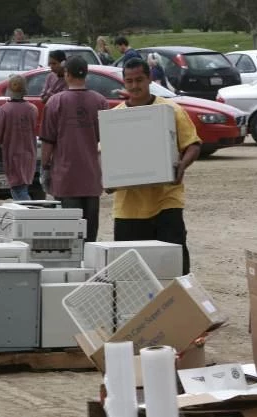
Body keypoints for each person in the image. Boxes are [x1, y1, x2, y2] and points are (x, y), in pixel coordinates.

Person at [111, 58, 202, 274]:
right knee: (130, 273)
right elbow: (104, 154)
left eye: (139, 80)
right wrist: (106, 177)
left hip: (166, 203)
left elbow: (194, 144)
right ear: (124, 82)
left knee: (174, 268)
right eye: (129, 81)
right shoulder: (115, 117)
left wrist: (182, 166)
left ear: (150, 78)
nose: (134, 86)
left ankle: (178, 306)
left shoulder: (171, 110)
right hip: (128, 208)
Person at [39, 56, 109, 242]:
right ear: (86, 74)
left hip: (66, 180)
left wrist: (44, 168)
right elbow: (108, 141)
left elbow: (48, 141)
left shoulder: (55, 102)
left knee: (69, 238)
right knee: (90, 238)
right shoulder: (100, 102)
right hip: (92, 180)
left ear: (67, 75)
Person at [0, 75, 38, 201]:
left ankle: (28, 217)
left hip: (13, 156)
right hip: (29, 155)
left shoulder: (5, 110)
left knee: (19, 191)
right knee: (21, 187)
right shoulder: (32, 109)